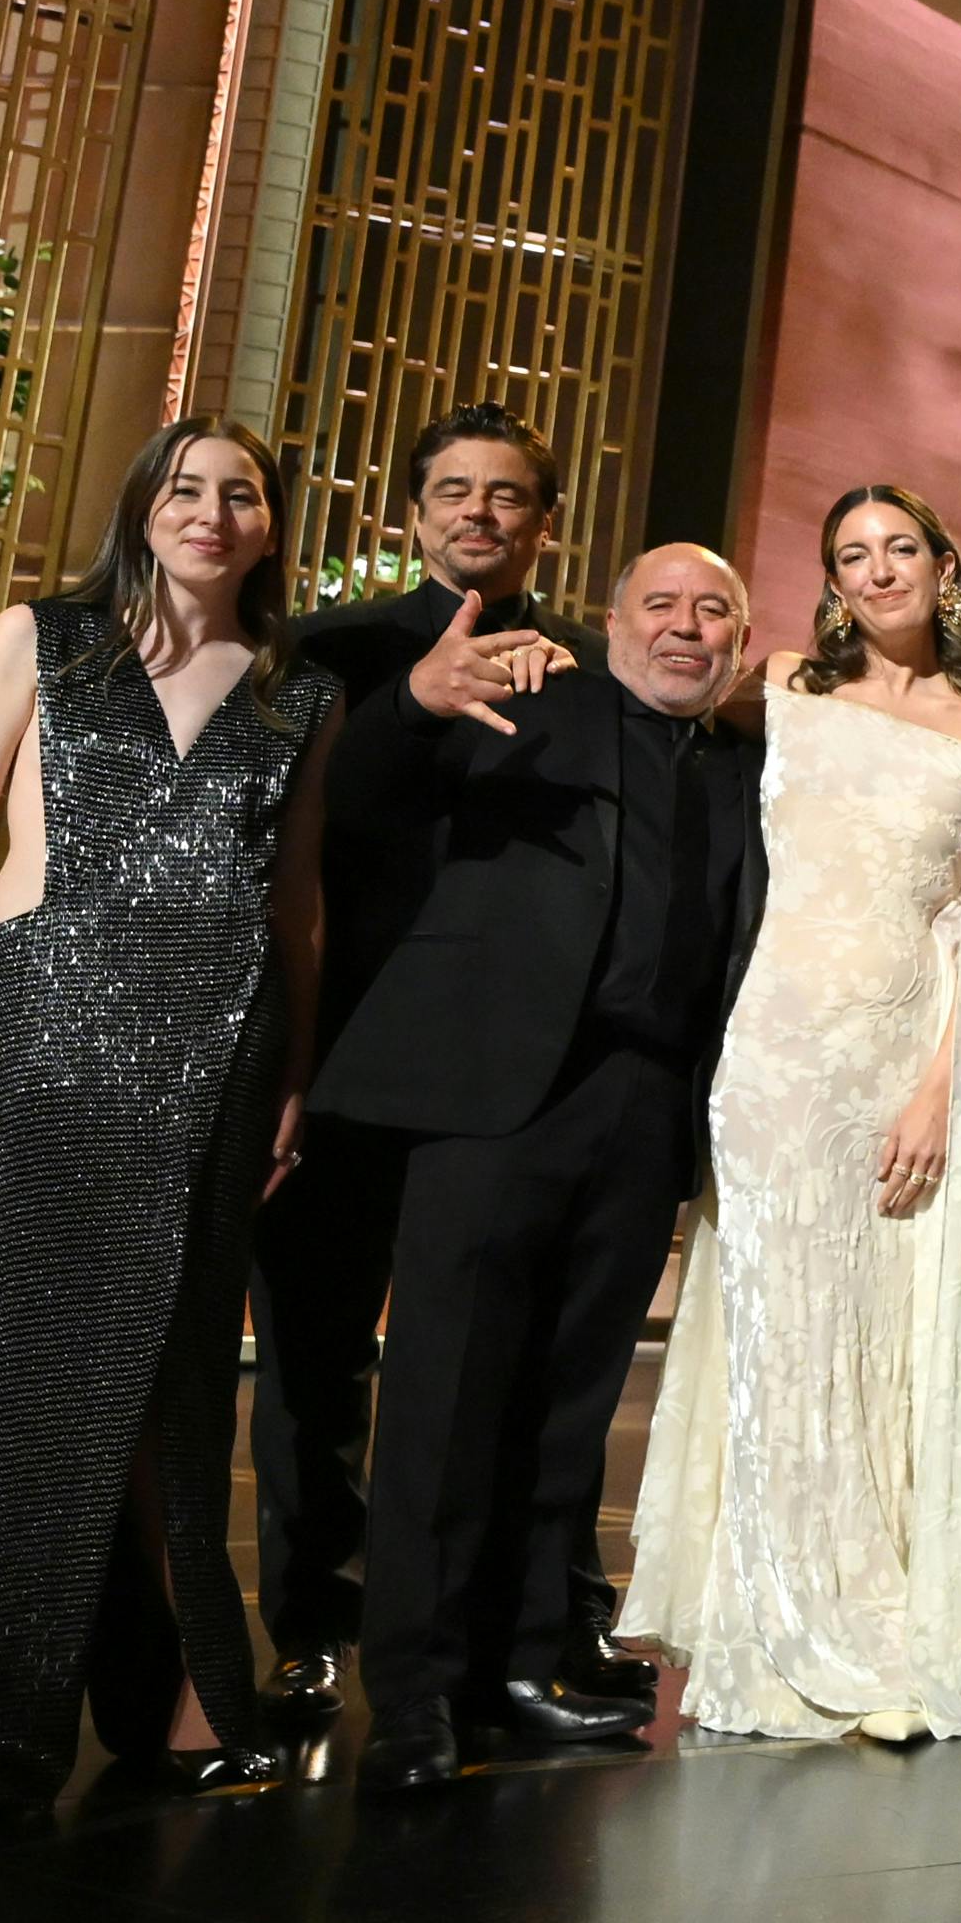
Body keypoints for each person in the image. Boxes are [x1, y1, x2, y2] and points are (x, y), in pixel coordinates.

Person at [0, 418, 340, 1820]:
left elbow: (299, 902)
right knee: (11, 1385)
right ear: (143, 506)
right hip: (42, 1038)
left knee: (172, 1379)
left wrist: (297, 1069)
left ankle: (187, 1697)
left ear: (267, 523)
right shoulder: (42, 639)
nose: (210, 509)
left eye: (239, 492)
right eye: (185, 486)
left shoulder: (301, 695)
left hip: (222, 1056)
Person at [323, 548, 765, 1794]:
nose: (685, 628)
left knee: (565, 1413)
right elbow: (360, 802)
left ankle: (519, 1668)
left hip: (643, 1113)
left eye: (712, 610)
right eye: (661, 606)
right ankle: (412, 1691)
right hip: (490, 1097)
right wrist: (409, 702)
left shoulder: (743, 769)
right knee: (440, 1400)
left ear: (745, 632)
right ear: (611, 620)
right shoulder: (526, 692)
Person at [617, 487, 961, 1741]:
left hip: (901, 1070)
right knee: (774, 1332)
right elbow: (667, 693)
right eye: (851, 556)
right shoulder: (790, 687)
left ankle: (876, 1616)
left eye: (899, 547)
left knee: (882, 1338)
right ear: (832, 583)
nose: (877, 570)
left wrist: (937, 1091)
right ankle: (762, 1624)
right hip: (771, 1064)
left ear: (943, 564)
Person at [248, 402, 599, 1729]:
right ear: (410, 513)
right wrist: (409, 704)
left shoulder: (591, 664)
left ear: (542, 521)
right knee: (313, 1361)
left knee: (498, 1372)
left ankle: (507, 1625)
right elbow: (293, 828)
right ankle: (312, 1623)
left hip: (513, 1079)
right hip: (340, 1058)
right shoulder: (331, 654)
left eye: (507, 494)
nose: (480, 512)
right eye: (453, 489)